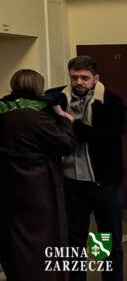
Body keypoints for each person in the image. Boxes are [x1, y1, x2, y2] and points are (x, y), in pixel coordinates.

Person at [0, 69, 76, 281]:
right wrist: (65, 120)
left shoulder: (1, 111)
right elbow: (66, 144)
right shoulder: (37, 114)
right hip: (39, 187)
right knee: (42, 241)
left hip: (10, 184)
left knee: (15, 237)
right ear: (37, 86)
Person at [52, 56, 124, 281]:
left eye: (84, 78)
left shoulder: (112, 102)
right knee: (74, 241)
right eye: (74, 77)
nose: (79, 82)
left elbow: (107, 140)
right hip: (71, 181)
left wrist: (74, 124)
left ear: (96, 78)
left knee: (106, 240)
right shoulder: (58, 98)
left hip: (103, 183)